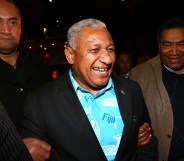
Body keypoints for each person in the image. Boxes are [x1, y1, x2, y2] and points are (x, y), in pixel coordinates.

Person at [22, 18, 158, 161]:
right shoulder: (41, 100)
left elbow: (147, 144)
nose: (107, 59)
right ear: (70, 54)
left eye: (110, 49)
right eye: (95, 49)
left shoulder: (131, 90)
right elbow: (32, 152)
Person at [0, 0, 51, 160]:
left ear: (21, 27)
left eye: (13, 22)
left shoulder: (41, 69)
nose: (6, 30)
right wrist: (14, 151)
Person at [130, 17, 184, 161]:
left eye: (181, 44)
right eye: (167, 45)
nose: (174, 51)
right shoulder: (138, 75)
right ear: (159, 45)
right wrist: (133, 136)